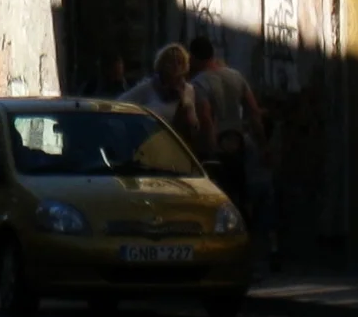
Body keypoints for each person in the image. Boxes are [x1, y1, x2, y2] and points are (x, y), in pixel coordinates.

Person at [187, 35, 277, 265]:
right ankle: (261, 252)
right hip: (242, 144)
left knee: (226, 205)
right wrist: (263, 146)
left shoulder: (200, 84)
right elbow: (254, 113)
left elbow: (206, 121)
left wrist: (211, 152)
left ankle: (231, 255)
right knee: (251, 199)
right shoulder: (236, 77)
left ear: (194, 58)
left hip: (221, 148)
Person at [119, 44, 205, 150]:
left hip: (180, 146)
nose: (176, 66)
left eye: (179, 62)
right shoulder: (149, 87)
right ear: (162, 64)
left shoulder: (188, 89)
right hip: (151, 146)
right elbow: (121, 103)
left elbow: (194, 121)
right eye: (171, 62)